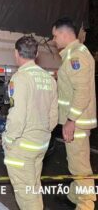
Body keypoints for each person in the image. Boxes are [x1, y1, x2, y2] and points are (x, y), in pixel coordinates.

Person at [2, 36, 58, 210]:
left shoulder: (20, 78)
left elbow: (17, 116)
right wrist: (42, 132)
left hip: (22, 146)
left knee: (26, 196)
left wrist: (8, 140)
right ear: (37, 54)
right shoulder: (48, 78)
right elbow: (54, 114)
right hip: (40, 144)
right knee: (33, 188)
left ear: (16, 53)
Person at [52, 17, 97, 209]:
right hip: (77, 120)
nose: (54, 40)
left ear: (64, 34)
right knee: (75, 161)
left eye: (55, 36)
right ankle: (73, 196)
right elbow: (74, 83)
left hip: (76, 121)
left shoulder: (75, 57)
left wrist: (70, 120)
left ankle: (86, 204)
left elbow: (82, 93)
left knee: (79, 167)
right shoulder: (74, 54)